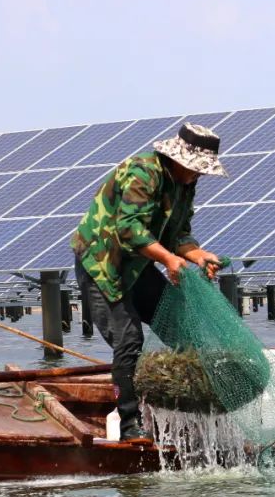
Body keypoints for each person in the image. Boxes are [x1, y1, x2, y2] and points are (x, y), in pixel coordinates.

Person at [71, 123, 227, 441]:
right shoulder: (143, 172)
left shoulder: (185, 184)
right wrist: (168, 259)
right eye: (196, 168)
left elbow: (178, 235)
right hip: (104, 264)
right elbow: (130, 229)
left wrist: (198, 255)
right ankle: (130, 424)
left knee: (179, 325)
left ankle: (189, 413)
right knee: (129, 339)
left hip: (138, 265)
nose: (199, 175)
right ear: (178, 159)